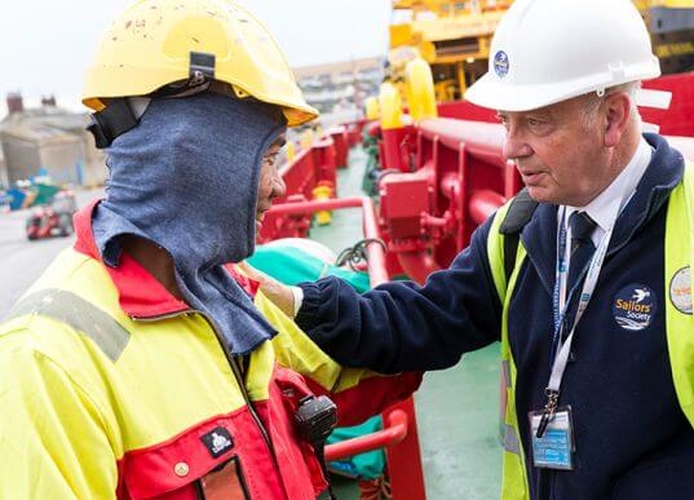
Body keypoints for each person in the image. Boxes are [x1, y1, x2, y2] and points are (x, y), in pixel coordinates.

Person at [266, 0, 694, 498]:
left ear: (612, 117)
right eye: (505, 121)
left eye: (535, 123)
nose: (511, 148)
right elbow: (428, 316)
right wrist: (297, 301)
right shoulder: (525, 229)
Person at [0, 1, 420, 499]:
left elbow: (359, 375)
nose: (281, 186)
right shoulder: (46, 363)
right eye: (267, 156)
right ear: (194, 153)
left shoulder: (227, 292)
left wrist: (485, 286)